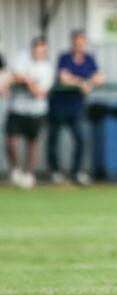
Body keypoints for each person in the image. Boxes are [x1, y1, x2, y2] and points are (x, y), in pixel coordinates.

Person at [47, 29, 103, 185]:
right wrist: (81, 83)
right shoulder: (64, 57)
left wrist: (90, 83)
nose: (78, 46)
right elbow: (63, 77)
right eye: (76, 43)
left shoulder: (89, 59)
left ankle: (76, 171)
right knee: (54, 139)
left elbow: (100, 77)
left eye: (81, 43)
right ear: (72, 43)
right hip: (58, 106)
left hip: (77, 107)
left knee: (80, 139)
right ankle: (55, 171)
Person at [5, 37, 55, 188]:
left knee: (32, 142)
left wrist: (27, 81)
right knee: (11, 142)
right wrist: (25, 80)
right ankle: (15, 169)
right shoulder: (22, 58)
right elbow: (13, 75)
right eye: (35, 49)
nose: (37, 52)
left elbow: (39, 92)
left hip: (36, 111)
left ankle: (28, 173)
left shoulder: (47, 68)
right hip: (18, 108)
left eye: (41, 50)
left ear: (45, 51)